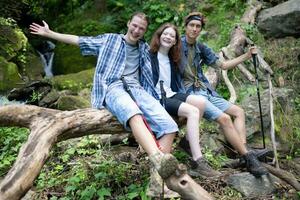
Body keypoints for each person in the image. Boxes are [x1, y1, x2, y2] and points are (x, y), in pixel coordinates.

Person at [29, 12, 180, 180]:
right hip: (112, 87)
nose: (136, 30)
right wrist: (49, 34)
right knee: (133, 113)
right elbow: (80, 40)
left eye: (141, 28)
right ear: (129, 23)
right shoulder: (110, 40)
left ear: (145, 31)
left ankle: (156, 181)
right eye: (134, 25)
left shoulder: (144, 48)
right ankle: (158, 160)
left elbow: (160, 62)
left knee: (169, 126)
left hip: (137, 89)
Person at [178, 12, 269, 177]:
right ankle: (248, 158)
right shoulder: (176, 45)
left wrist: (246, 55)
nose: (194, 29)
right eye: (191, 25)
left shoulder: (201, 47)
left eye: (198, 26)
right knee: (225, 119)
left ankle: (243, 151)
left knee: (238, 112)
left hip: (205, 90)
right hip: (191, 93)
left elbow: (224, 65)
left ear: (200, 30)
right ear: (185, 27)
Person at [149, 23, 220, 178]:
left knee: (200, 102)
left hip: (171, 93)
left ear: (175, 41)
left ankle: (186, 143)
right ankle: (198, 161)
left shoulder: (173, 59)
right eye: (165, 34)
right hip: (157, 97)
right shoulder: (149, 55)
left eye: (172, 36)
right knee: (193, 111)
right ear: (159, 36)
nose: (168, 37)